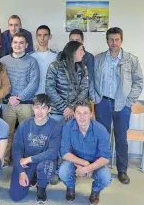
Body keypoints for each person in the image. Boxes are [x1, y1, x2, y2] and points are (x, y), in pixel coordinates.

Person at [93, 27, 143, 184]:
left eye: (117, 39)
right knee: (102, 137)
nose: (114, 43)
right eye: (111, 39)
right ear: (107, 40)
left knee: (121, 138)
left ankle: (122, 170)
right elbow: (91, 80)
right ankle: (101, 167)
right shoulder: (98, 58)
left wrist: (128, 102)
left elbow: (139, 82)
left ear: (121, 40)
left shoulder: (131, 59)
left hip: (122, 105)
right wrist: (96, 98)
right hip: (103, 103)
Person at [9, 94, 62, 203]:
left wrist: (29, 159)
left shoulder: (56, 126)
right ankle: (32, 175)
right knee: (16, 196)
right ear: (32, 108)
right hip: (26, 163)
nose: (39, 111)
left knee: (46, 165)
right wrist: (21, 171)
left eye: (43, 108)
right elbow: (16, 149)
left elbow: (52, 152)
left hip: (44, 162)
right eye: (37, 107)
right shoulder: (24, 125)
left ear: (49, 109)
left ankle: (41, 187)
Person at [59, 100, 112, 205]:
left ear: (91, 114)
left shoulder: (100, 130)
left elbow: (105, 158)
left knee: (105, 177)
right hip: (75, 160)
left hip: (95, 162)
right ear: (74, 114)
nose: (81, 117)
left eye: (85, 113)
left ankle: (95, 191)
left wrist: (88, 168)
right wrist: (84, 163)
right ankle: (70, 187)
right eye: (78, 113)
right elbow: (64, 152)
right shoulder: (68, 127)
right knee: (63, 171)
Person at [0, 32, 40, 167]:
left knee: (27, 134)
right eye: (15, 42)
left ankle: (26, 160)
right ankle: (4, 159)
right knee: (7, 133)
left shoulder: (32, 61)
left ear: (26, 45)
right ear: (11, 44)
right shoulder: (3, 61)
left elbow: (34, 83)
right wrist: (8, 97)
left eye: (21, 43)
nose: (18, 45)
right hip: (7, 104)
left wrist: (19, 98)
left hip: (26, 104)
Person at [46, 41, 89, 124]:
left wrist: (72, 107)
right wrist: (64, 108)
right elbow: (49, 89)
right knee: (56, 136)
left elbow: (84, 89)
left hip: (74, 112)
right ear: (73, 51)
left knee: (72, 136)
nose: (83, 53)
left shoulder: (83, 68)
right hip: (57, 113)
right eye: (81, 50)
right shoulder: (55, 66)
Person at [58, 29, 95, 97]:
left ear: (82, 41)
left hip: (81, 97)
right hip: (63, 95)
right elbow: (58, 77)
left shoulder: (88, 57)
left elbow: (88, 80)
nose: (74, 43)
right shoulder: (61, 55)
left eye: (77, 40)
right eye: (72, 40)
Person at [30, 25, 57, 95]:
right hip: (33, 95)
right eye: (39, 35)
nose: (42, 38)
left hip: (51, 95)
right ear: (36, 36)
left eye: (45, 35)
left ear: (50, 36)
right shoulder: (30, 56)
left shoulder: (56, 56)